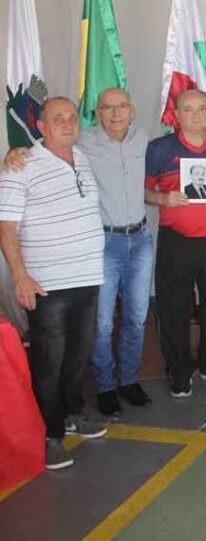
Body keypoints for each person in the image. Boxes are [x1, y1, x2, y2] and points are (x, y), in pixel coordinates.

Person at [4, 88, 154, 416]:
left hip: (138, 240)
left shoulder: (142, 139)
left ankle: (128, 381)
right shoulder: (82, 142)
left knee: (136, 318)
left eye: (122, 106)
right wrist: (13, 153)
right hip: (101, 246)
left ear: (132, 109)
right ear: (97, 113)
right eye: (107, 107)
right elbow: (35, 155)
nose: (115, 113)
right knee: (98, 326)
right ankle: (104, 387)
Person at [0, 97, 107, 470]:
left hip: (88, 277)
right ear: (40, 127)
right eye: (56, 118)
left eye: (71, 116)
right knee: (50, 361)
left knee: (78, 354)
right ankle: (50, 435)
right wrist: (20, 276)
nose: (67, 123)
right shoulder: (21, 166)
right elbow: (7, 227)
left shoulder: (83, 159)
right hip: (48, 284)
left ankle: (74, 413)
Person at [145, 89, 206, 397]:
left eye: (201, 109)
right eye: (188, 109)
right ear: (176, 115)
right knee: (174, 310)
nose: (195, 115)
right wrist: (162, 197)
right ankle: (179, 371)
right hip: (176, 241)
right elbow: (142, 191)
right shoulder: (159, 149)